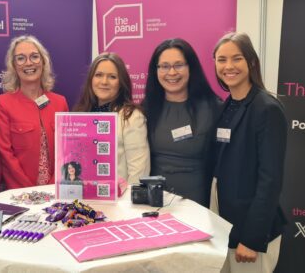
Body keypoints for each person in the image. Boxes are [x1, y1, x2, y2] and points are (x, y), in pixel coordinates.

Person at [212, 32, 287, 273]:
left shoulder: (267, 109)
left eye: (237, 58)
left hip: (250, 234)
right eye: (221, 60)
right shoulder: (228, 105)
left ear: (251, 62)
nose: (228, 66)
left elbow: (270, 180)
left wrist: (252, 239)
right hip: (225, 224)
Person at [142, 38, 221, 206]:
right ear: (155, 70)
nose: (171, 73)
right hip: (154, 204)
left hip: (198, 203)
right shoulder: (144, 110)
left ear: (191, 68)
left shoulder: (214, 109)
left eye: (178, 65)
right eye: (164, 66)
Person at [0, 35, 68, 189]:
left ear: (43, 62)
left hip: (55, 190)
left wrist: (53, 185)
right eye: (21, 58)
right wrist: (29, 190)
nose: (29, 63)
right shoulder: (2, 104)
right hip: (20, 192)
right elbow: (4, 154)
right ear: (13, 65)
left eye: (34, 56)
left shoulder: (60, 102)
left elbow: (66, 149)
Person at [74, 52, 150, 184]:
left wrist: (128, 202)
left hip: (117, 200)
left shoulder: (131, 117)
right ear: (91, 79)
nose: (104, 82)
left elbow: (139, 170)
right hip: (82, 197)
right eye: (98, 75)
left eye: (112, 77)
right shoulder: (80, 114)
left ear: (121, 83)